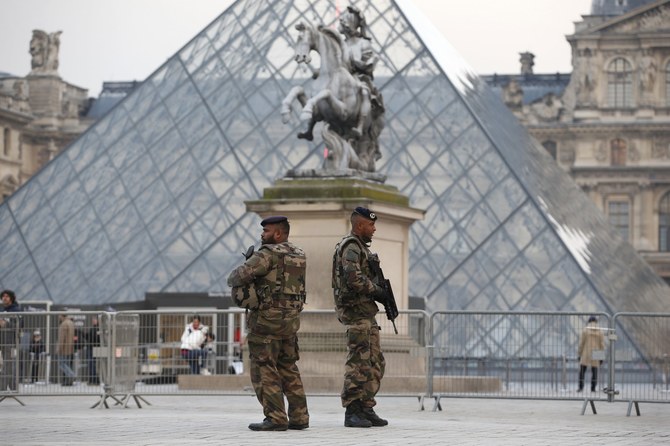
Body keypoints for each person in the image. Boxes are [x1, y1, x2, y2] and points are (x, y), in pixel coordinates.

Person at [227, 215, 309, 431]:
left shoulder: (267, 254)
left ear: (278, 233)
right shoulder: (299, 254)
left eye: (266, 231)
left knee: (264, 369)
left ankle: (276, 417)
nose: (262, 235)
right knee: (289, 368)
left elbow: (235, 277)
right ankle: (300, 417)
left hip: (266, 322)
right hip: (290, 321)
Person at [332, 207, 388, 428]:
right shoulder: (351, 247)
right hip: (355, 312)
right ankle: (353, 410)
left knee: (375, 361)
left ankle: (366, 406)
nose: (374, 229)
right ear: (359, 225)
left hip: (365, 312)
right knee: (358, 362)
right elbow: (354, 279)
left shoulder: (361, 248)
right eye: (371, 225)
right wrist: (377, 291)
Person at [577, 316, 606, 393]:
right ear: (596, 322)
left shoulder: (585, 330)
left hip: (586, 351)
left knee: (582, 371)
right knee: (594, 371)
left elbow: (581, 343)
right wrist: (601, 357)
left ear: (589, 321)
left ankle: (581, 387)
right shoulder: (600, 331)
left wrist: (579, 354)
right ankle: (593, 388)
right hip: (596, 352)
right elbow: (602, 345)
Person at [0, 290, 22, 390]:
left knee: (9, 365)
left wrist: (6, 324)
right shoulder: (1, 309)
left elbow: (20, 326)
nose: (4, 298)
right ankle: (12, 387)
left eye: (7, 296)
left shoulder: (16, 310)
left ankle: (4, 388)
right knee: (7, 366)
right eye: (3, 296)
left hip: (11, 342)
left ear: (11, 298)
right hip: (2, 341)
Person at [56, 314, 76, 386]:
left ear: (61, 316)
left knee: (61, 364)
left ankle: (72, 375)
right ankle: (68, 380)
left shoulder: (63, 324)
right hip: (70, 347)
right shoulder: (71, 323)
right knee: (67, 364)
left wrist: (59, 348)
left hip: (64, 348)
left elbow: (61, 338)